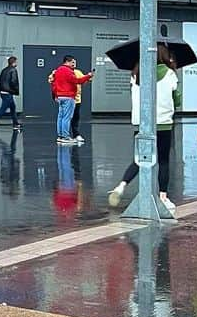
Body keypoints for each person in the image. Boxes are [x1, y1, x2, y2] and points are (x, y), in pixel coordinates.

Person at [108, 44, 181, 214]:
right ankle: (163, 197)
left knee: (140, 159)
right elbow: (176, 99)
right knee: (163, 160)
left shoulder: (135, 74)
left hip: (141, 123)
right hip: (162, 123)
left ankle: (121, 186)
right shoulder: (169, 73)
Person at [50, 57, 93, 145]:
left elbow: (53, 82)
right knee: (66, 117)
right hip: (68, 96)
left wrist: (55, 95)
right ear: (67, 62)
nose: (74, 64)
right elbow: (77, 81)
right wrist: (88, 76)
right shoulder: (68, 71)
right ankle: (65, 137)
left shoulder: (58, 70)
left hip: (60, 96)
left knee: (61, 117)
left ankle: (60, 136)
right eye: (72, 62)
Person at [0, 56, 21, 130]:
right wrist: (15, 90)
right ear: (14, 62)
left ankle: (16, 123)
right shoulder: (13, 70)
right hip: (8, 92)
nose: (17, 63)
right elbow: (13, 81)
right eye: (16, 62)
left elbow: (0, 80)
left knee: (13, 107)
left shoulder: (4, 70)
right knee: (3, 108)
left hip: (3, 91)